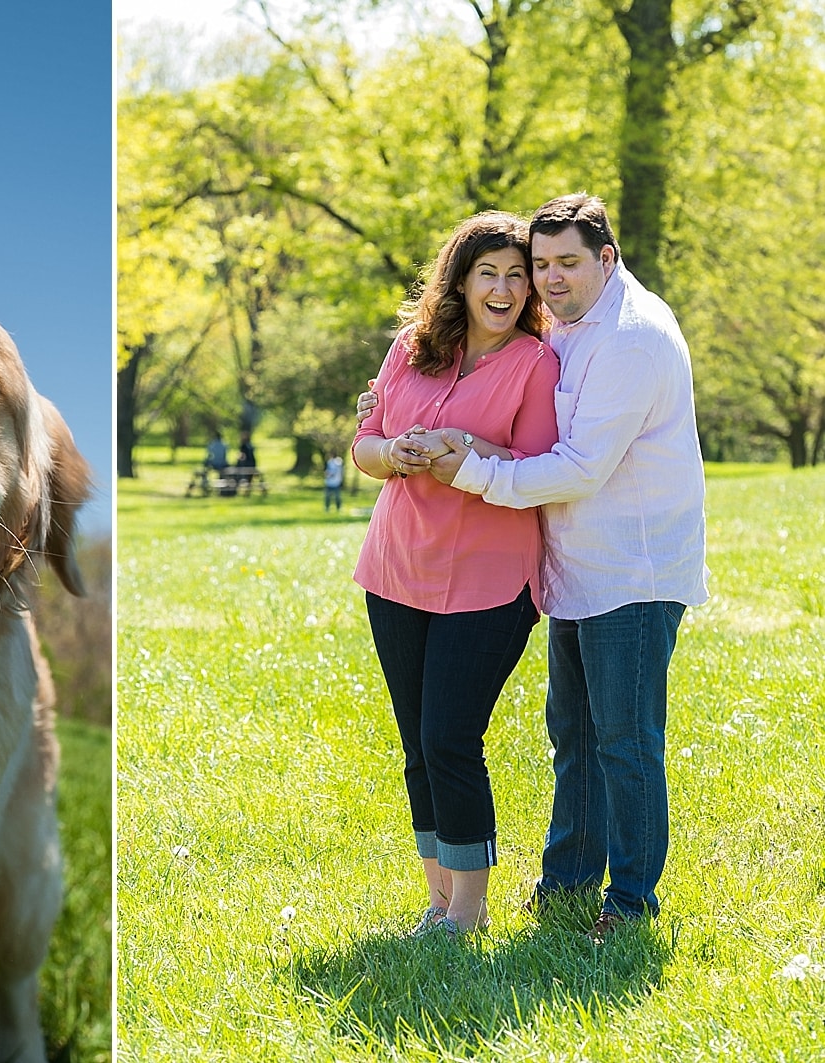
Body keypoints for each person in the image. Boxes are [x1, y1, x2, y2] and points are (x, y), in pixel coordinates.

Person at [419, 194, 709, 941]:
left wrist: (474, 473)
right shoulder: (570, 323)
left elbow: (579, 467)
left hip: (632, 573)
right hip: (578, 570)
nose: (548, 278)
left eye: (567, 262)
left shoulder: (630, 339)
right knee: (574, 735)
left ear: (606, 258)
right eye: (541, 263)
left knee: (625, 739)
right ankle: (568, 881)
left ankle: (631, 903)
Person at [351, 210, 558, 936]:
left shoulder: (537, 364)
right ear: (461, 280)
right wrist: (396, 455)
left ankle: (467, 914)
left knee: (449, 738)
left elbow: (538, 469)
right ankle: (438, 900)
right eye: (487, 273)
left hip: (489, 582)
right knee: (417, 746)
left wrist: (465, 449)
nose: (502, 288)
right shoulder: (411, 348)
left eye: (515, 274)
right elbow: (365, 444)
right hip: (396, 569)